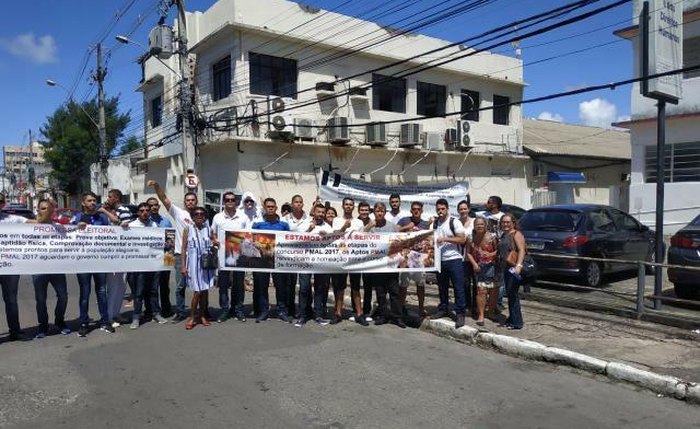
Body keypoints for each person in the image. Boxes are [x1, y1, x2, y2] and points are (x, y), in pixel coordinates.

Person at [147, 179, 202, 322]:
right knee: (180, 286)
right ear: (185, 203)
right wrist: (157, 185)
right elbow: (163, 198)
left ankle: (202, 311)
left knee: (200, 286)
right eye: (188, 200)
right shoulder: (178, 213)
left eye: (192, 200)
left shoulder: (201, 216)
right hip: (179, 255)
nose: (190, 202)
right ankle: (181, 312)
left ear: (196, 201)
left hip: (197, 256)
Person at [70, 191, 114, 337]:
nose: (93, 203)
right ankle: (83, 323)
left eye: (94, 200)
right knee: (85, 293)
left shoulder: (101, 217)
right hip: (83, 262)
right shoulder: (77, 217)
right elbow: (68, 235)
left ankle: (105, 320)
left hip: (100, 261)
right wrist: (77, 227)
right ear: (83, 203)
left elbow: (110, 233)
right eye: (89, 201)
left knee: (102, 291)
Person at [123, 203, 169, 329]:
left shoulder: (154, 225)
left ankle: (156, 313)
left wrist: (166, 261)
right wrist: (122, 227)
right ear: (138, 212)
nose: (144, 212)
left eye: (147, 210)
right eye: (142, 210)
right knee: (138, 292)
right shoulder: (131, 226)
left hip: (154, 264)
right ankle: (136, 317)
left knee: (154, 291)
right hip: (138, 265)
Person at [31, 199, 70, 338]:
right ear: (38, 210)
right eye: (42, 208)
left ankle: (59, 321)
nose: (45, 211)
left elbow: (72, 237)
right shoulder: (30, 226)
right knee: (40, 300)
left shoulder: (58, 226)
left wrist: (80, 227)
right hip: (38, 269)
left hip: (56, 268)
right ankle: (43, 326)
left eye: (48, 208)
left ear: (53, 211)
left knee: (63, 296)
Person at [211, 192, 250, 323]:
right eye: (227, 200)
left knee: (239, 284)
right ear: (224, 201)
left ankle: (238, 309)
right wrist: (215, 241)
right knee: (223, 284)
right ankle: (224, 310)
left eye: (232, 199)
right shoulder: (217, 217)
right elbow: (212, 234)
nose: (230, 202)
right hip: (223, 257)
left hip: (239, 256)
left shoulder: (243, 217)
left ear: (236, 201)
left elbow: (249, 235)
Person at [364, 202, 405, 328]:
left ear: (385, 212)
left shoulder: (392, 226)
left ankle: (397, 317)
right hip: (377, 265)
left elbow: (398, 243)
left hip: (391, 264)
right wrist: (368, 227)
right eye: (377, 211)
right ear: (374, 212)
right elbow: (360, 240)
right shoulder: (371, 226)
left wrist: (401, 260)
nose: (379, 213)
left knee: (394, 292)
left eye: (382, 211)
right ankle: (382, 315)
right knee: (380, 293)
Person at [251, 198, 291, 322]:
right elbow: (252, 239)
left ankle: (282, 311)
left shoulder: (284, 225)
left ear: (276, 208)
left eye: (273, 206)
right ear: (264, 207)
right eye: (268, 206)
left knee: (281, 286)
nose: (270, 208)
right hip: (262, 260)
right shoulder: (257, 224)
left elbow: (288, 241)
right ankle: (264, 311)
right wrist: (256, 243)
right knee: (262, 286)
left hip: (278, 260)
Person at [330, 197, 369, 326]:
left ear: (353, 207)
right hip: (341, 257)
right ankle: (338, 313)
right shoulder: (336, 220)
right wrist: (344, 227)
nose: (348, 206)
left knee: (356, 287)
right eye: (346, 204)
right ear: (342, 206)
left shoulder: (358, 222)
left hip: (354, 258)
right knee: (340, 287)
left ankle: (359, 313)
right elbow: (335, 235)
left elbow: (362, 238)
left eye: (350, 205)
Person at [431, 198, 467, 329]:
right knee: (442, 287)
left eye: (442, 209)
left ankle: (460, 313)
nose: (440, 211)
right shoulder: (436, 223)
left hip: (454, 259)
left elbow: (462, 239)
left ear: (447, 209)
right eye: (438, 209)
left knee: (458, 288)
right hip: (439, 261)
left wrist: (445, 239)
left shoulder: (454, 221)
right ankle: (443, 308)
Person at [295, 203, 333, 327]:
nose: (320, 215)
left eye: (323, 213)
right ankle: (302, 315)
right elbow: (297, 240)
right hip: (305, 261)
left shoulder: (327, 227)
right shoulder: (305, 223)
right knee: (304, 288)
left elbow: (332, 244)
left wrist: (326, 238)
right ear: (314, 212)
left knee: (319, 289)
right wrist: (309, 231)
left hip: (320, 262)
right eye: (318, 212)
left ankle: (318, 315)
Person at [102, 189, 133, 328]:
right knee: (113, 285)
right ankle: (109, 315)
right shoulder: (110, 210)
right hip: (112, 253)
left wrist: (105, 210)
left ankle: (115, 313)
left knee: (120, 285)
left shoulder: (124, 210)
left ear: (116, 198)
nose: (108, 199)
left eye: (110, 197)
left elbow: (121, 225)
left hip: (122, 252)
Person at [181, 206, 216, 329]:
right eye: (196, 214)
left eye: (202, 214)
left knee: (205, 291)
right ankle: (192, 317)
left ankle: (202, 316)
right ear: (193, 217)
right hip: (193, 264)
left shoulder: (208, 229)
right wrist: (183, 266)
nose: (199, 215)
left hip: (207, 264)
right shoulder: (188, 229)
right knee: (197, 291)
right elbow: (184, 248)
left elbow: (214, 242)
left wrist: (215, 243)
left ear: (205, 216)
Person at [0, 193, 29, 341]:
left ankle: (15, 331)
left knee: (11, 300)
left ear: (3, 203)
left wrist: (49, 211)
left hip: (9, 267)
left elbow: (35, 224)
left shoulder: (13, 219)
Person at [396, 201, 431, 318]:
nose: (416, 211)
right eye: (414, 209)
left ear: (422, 211)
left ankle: (421, 308)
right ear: (411, 211)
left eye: (418, 209)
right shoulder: (404, 220)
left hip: (420, 259)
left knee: (420, 285)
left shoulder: (426, 224)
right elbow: (394, 231)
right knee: (403, 285)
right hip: (405, 258)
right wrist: (407, 227)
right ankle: (400, 308)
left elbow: (429, 239)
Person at [466, 217, 499, 326]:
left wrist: (490, 254)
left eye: (481, 224)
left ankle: (490, 312)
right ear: (474, 226)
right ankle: (481, 315)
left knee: (493, 290)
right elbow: (468, 253)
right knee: (481, 290)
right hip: (479, 267)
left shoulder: (492, 237)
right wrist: (474, 264)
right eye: (477, 224)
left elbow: (499, 250)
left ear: (485, 225)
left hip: (492, 267)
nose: (479, 226)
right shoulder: (471, 237)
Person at [282, 194, 309, 319]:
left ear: (303, 204)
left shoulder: (309, 219)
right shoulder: (285, 219)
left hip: (305, 258)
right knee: (289, 286)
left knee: (304, 287)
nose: (298, 204)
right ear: (292, 204)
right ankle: (290, 310)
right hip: (289, 257)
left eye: (300, 202)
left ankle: (302, 311)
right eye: (296, 202)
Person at [498, 214, 526, 330]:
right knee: (510, 294)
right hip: (506, 267)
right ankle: (512, 318)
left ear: (513, 223)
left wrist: (518, 266)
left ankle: (517, 322)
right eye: (503, 222)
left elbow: (521, 250)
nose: (505, 224)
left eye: (508, 222)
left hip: (513, 268)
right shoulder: (505, 234)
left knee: (513, 295)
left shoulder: (516, 234)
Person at [147, 196, 174, 318]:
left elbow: (170, 239)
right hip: (150, 259)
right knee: (151, 287)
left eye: (155, 205)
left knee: (164, 286)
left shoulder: (166, 221)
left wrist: (169, 261)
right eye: (151, 205)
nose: (153, 207)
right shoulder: (145, 222)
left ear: (159, 206)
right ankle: (152, 310)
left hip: (166, 257)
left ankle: (166, 309)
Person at [458, 199, 475, 316]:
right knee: (465, 283)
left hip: (473, 257)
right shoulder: (456, 222)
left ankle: (477, 307)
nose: (463, 211)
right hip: (460, 257)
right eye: (460, 209)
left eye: (465, 208)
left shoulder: (474, 222)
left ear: (468, 209)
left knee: (476, 283)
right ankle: (467, 305)